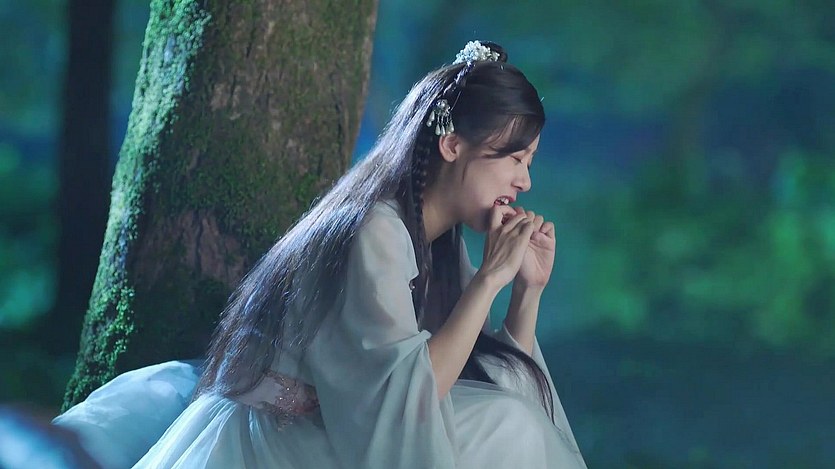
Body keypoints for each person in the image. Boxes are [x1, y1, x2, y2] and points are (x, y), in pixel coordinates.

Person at [54, 40, 587, 468]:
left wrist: (526, 291)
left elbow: (481, 374)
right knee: (508, 425)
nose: (524, 181)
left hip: (345, 435)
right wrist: (489, 280)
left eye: (529, 162)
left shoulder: (438, 243)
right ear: (452, 146)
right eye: (513, 158)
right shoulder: (375, 230)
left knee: (512, 417)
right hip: (288, 442)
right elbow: (398, 405)